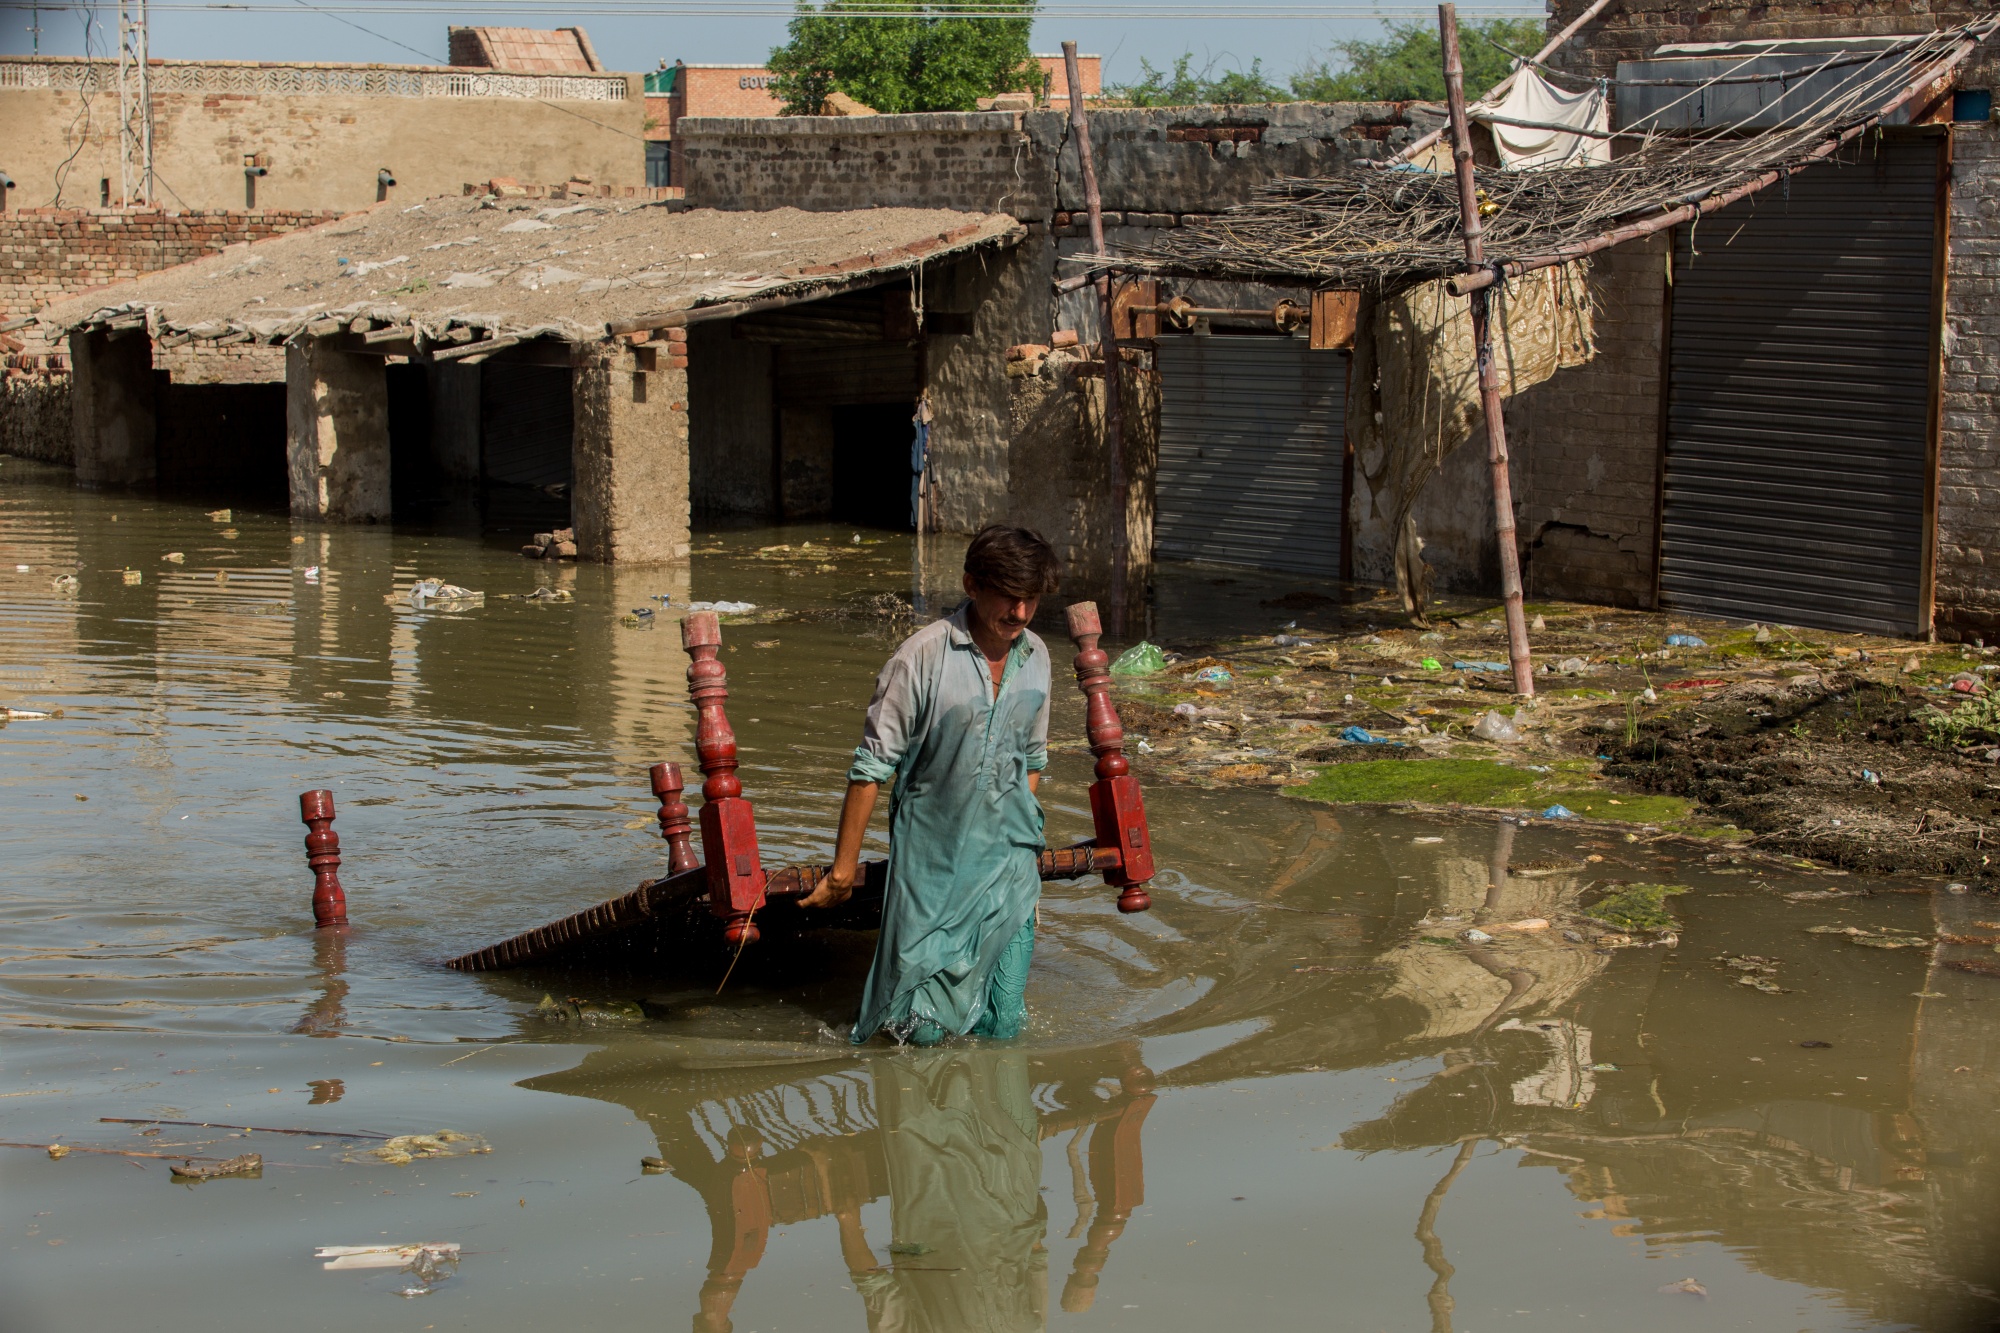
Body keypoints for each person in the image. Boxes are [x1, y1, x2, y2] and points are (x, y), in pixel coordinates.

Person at [802, 524, 1060, 1045]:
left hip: (1008, 871)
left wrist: (1016, 835)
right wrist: (843, 872)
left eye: (1030, 599)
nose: (1020, 613)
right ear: (971, 585)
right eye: (1008, 598)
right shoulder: (920, 658)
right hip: (932, 870)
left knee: (1003, 1021)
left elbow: (1033, 757)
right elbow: (871, 769)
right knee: (916, 1035)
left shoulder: (1037, 657)